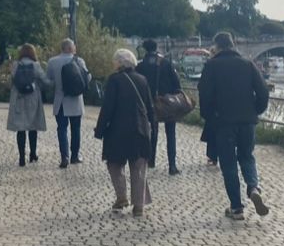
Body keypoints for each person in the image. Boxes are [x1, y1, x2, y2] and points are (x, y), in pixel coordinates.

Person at [199, 31, 271, 221]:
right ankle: (253, 187)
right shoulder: (248, 64)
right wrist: (256, 110)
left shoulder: (211, 66)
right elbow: (263, 91)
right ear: (233, 44)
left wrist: (209, 117)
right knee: (247, 156)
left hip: (223, 122)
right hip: (247, 120)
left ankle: (237, 207)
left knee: (229, 164)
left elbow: (204, 95)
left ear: (217, 46)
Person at [94, 49, 155, 217]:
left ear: (119, 63)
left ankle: (121, 197)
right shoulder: (143, 80)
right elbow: (150, 107)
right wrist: (153, 128)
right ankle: (139, 205)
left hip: (117, 131)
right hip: (140, 129)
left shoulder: (114, 81)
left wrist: (99, 130)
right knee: (138, 167)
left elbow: (108, 108)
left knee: (114, 164)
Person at [136, 39, 183, 175]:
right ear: (156, 48)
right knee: (171, 133)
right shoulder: (166, 63)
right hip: (166, 102)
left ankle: (151, 160)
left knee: (152, 132)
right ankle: (172, 165)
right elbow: (176, 82)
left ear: (144, 49)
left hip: (149, 103)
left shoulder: (141, 65)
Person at [46, 38, 89, 168]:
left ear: (62, 48)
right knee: (76, 129)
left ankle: (64, 156)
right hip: (76, 101)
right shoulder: (79, 61)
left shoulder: (53, 62)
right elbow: (87, 78)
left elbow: (49, 80)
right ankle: (75, 156)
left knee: (62, 129)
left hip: (61, 101)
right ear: (71, 48)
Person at [6, 43, 48, 167]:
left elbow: (11, 81)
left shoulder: (15, 65)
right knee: (32, 127)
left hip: (18, 98)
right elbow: (44, 79)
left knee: (21, 129)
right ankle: (33, 154)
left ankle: (21, 157)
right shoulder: (36, 65)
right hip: (32, 98)